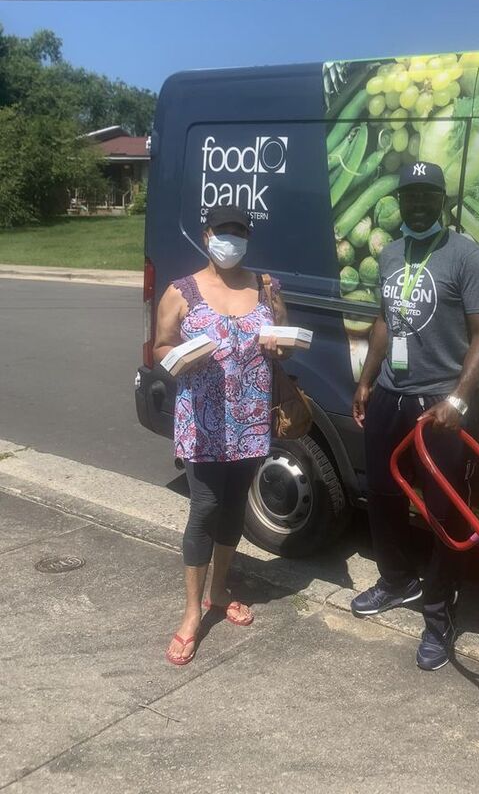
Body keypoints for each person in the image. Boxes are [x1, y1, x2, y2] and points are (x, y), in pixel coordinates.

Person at [351, 162, 479, 671]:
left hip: (441, 406)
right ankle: (395, 582)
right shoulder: (392, 254)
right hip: (392, 393)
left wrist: (459, 398)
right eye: (409, 194)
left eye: (426, 195)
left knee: (441, 511)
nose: (416, 203)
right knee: (384, 496)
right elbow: (383, 323)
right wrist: (367, 379)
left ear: (441, 202)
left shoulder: (468, 258)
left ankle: (439, 617)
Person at [153, 204, 289, 666]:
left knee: (234, 507)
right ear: (207, 234)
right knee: (206, 506)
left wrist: (279, 345)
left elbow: (284, 344)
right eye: (223, 230)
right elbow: (160, 347)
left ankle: (219, 589)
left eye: (240, 231)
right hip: (203, 421)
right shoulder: (181, 291)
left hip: (250, 421)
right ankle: (192, 612)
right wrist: (182, 356)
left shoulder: (266, 287)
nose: (231, 238)